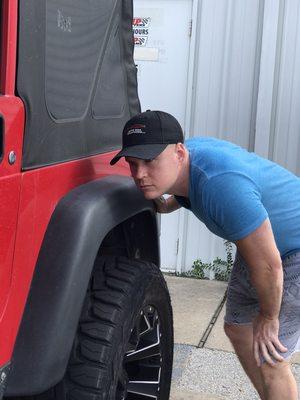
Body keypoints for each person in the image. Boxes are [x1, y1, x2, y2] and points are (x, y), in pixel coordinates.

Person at [110, 110, 300, 400]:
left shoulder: (221, 186)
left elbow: (270, 267)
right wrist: (166, 205)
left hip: (290, 253)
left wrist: (269, 316)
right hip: (266, 247)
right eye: (133, 164)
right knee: (239, 328)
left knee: (270, 355)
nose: (139, 174)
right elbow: (188, 189)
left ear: (179, 152)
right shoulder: (187, 165)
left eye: (150, 161)